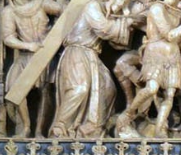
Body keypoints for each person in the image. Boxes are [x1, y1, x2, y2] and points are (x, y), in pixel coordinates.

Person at [49, 0, 133, 137]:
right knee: (79, 88)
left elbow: (116, 42)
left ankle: (93, 128)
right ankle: (60, 127)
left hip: (91, 55)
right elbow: (104, 29)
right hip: (77, 52)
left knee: (108, 89)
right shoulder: (91, 5)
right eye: (118, 3)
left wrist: (124, 23)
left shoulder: (104, 12)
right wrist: (125, 23)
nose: (118, 6)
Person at [116, 0, 181, 137]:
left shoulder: (177, 13)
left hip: (173, 55)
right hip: (156, 52)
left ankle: (160, 130)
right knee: (152, 88)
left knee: (170, 95)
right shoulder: (157, 8)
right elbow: (170, 35)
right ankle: (129, 113)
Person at [2, 0, 63, 136]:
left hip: (46, 54)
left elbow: (62, 10)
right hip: (25, 55)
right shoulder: (9, 11)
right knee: (15, 88)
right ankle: (25, 126)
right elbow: (8, 38)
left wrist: (56, 31)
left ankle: (40, 131)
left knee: (46, 91)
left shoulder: (41, 3)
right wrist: (28, 45)